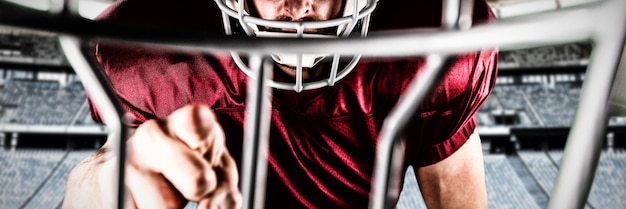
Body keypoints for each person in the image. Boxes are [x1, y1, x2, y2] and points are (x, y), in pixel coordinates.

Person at [62, 0, 498, 208]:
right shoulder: (151, 52)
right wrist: (98, 188)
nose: (297, 6)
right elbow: (117, 165)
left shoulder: (433, 48)